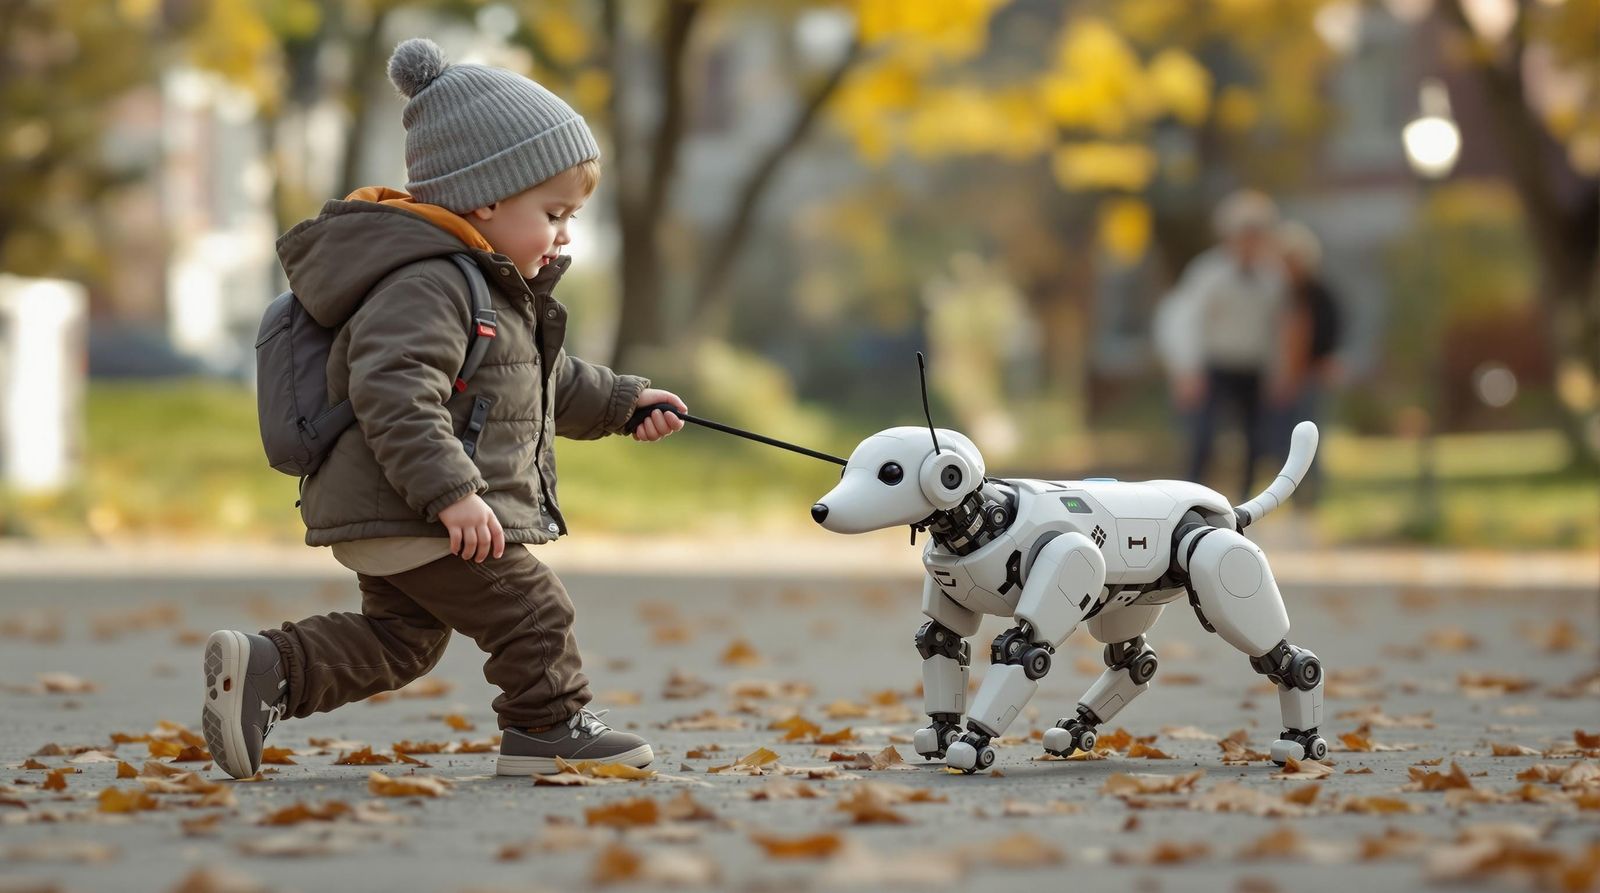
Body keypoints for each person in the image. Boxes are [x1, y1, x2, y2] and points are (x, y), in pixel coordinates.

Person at [200, 38, 686, 779]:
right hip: (418, 505)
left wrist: (623, 402)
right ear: (487, 196)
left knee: (402, 642)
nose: (564, 234)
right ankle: (548, 728)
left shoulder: (481, 285)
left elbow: (539, 380)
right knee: (532, 609)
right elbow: (394, 393)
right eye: (553, 212)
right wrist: (452, 493)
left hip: (401, 508)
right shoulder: (428, 282)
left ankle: (270, 669)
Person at [1153, 190, 1288, 499]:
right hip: (1214, 366)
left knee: (1256, 440)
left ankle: (1246, 503)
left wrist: (1278, 371)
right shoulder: (1208, 273)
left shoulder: (1273, 277)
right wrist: (1186, 369)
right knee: (1203, 438)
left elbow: (1279, 328)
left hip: (1253, 367)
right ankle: (1191, 499)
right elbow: (1184, 322)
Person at [1268, 220, 1343, 504]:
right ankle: (1293, 495)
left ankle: (1313, 496)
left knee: (1309, 436)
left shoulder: (1317, 294)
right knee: (1283, 439)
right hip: (1288, 377)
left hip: (1309, 375)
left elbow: (1327, 330)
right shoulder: (1283, 293)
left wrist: (1323, 359)